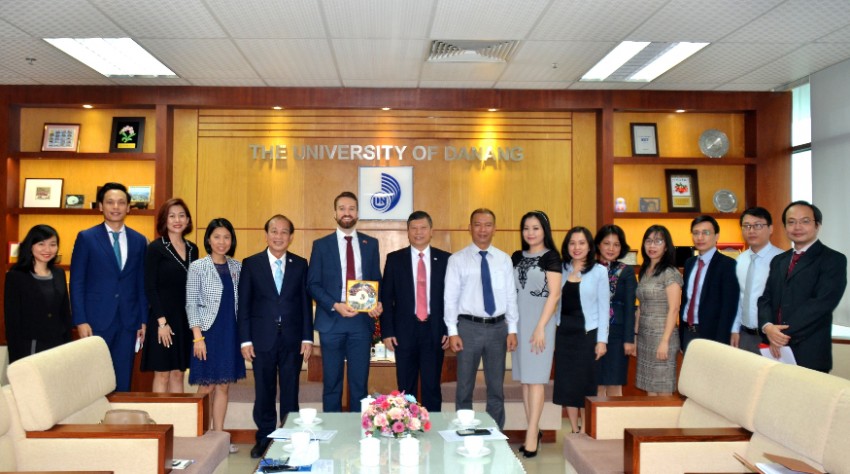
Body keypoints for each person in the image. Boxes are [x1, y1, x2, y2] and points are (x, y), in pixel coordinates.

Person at [239, 215, 313, 458]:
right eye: (274, 231)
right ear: (266, 235)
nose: (278, 236)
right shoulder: (251, 263)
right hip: (262, 339)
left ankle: (290, 437)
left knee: (291, 390)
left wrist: (307, 338)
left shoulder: (300, 264)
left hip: (293, 339)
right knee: (264, 391)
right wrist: (245, 340)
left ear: (291, 237)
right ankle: (264, 438)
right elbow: (244, 306)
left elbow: (305, 304)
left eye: (284, 232)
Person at [307, 191, 382, 412]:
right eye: (342, 209)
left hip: (361, 321)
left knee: (359, 385)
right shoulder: (321, 245)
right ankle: (333, 430)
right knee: (332, 384)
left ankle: (359, 429)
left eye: (351, 209)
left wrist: (377, 302)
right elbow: (312, 284)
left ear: (357, 213)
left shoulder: (371, 244)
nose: (346, 213)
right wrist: (335, 305)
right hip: (332, 320)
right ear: (335, 213)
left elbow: (376, 280)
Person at [444, 208, 519, 430]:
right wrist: (452, 332)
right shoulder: (457, 260)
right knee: (464, 387)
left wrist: (512, 329)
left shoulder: (504, 260)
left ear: (494, 229)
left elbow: (510, 295)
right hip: (468, 328)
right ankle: (464, 431)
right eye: (477, 224)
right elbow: (450, 298)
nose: (482, 229)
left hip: (498, 328)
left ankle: (495, 433)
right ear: (470, 228)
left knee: (496, 387)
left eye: (487, 225)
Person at [70, 182, 147, 392]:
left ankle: (119, 414)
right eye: (110, 202)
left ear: (128, 207)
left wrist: (142, 320)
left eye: (121, 202)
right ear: (101, 206)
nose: (116, 207)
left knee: (123, 378)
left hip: (128, 321)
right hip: (95, 320)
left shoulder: (139, 240)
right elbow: (77, 282)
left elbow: (141, 283)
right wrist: (80, 320)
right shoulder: (86, 238)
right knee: (94, 378)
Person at [758, 201, 847, 372]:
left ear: (817, 225)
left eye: (805, 221)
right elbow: (766, 298)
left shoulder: (833, 260)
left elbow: (821, 304)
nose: (797, 227)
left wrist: (780, 335)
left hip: (810, 351)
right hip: (774, 350)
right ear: (785, 227)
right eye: (791, 222)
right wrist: (767, 327)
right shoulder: (779, 260)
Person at [380, 210, 451, 413]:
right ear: (408, 232)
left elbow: (451, 298)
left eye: (423, 228)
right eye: (414, 228)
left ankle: (432, 427)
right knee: (405, 387)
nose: (418, 232)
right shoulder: (395, 259)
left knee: (432, 387)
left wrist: (449, 329)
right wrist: (387, 331)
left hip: (435, 331)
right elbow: (386, 298)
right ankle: (406, 426)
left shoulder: (445, 259)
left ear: (431, 231)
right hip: (404, 332)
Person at [186, 218, 245, 453]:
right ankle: (197, 435)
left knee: (223, 386)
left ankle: (220, 438)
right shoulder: (198, 266)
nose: (222, 242)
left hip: (230, 332)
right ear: (208, 239)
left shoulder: (237, 267)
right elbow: (191, 304)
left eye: (226, 237)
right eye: (217, 237)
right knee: (207, 386)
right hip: (207, 334)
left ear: (232, 240)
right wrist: (197, 337)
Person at [511, 211, 561, 457]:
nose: (530, 233)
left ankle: (531, 434)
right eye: (526, 228)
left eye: (536, 228)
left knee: (536, 379)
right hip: (519, 323)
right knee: (525, 379)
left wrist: (541, 326)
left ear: (545, 231)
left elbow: (554, 294)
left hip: (540, 325)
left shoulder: (551, 257)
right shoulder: (516, 256)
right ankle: (534, 428)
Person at [553, 226, 609, 434]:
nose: (577, 247)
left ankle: (586, 430)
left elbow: (604, 308)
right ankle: (574, 429)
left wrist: (602, 340)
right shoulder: (560, 269)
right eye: (572, 243)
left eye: (582, 243)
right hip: (564, 334)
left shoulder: (599, 271)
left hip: (587, 335)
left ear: (589, 246)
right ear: (567, 246)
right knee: (567, 384)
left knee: (585, 384)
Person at [140, 199, 198, 392]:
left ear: (188, 220)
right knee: (163, 374)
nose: (177, 220)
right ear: (164, 220)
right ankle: (161, 413)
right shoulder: (156, 247)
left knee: (179, 373)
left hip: (184, 319)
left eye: (181, 215)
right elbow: (150, 287)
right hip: (162, 319)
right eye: (172, 216)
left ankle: (177, 413)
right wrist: (162, 323)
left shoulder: (193, 249)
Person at [4, 225, 71, 362]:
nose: (47, 249)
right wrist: (16, 359)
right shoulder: (16, 276)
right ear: (30, 246)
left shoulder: (59, 273)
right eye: (41, 244)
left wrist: (68, 345)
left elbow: (64, 313)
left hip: (57, 343)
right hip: (30, 346)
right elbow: (12, 321)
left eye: (52, 244)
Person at [679, 216, 739, 352]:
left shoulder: (728, 265)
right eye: (696, 233)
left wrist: (721, 342)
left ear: (716, 236)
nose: (700, 237)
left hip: (712, 335)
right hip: (688, 331)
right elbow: (685, 301)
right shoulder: (689, 263)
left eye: (705, 233)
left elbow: (728, 308)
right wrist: (682, 336)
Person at [635, 225, 682, 396]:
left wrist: (664, 341)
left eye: (658, 241)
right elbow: (641, 306)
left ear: (666, 246)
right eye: (648, 241)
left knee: (663, 389)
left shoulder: (670, 273)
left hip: (663, 336)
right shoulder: (645, 270)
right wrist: (635, 335)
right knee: (650, 389)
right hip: (645, 337)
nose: (652, 246)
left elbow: (674, 308)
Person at [732, 207, 782, 354]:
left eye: (758, 225)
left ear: (770, 229)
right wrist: (734, 329)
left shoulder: (782, 260)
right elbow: (737, 299)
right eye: (747, 226)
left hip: (771, 337)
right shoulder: (739, 260)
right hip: (744, 335)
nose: (751, 230)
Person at [594, 224, 636, 396]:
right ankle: (593, 415)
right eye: (607, 243)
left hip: (617, 334)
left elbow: (630, 307)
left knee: (614, 382)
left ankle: (614, 415)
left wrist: (629, 339)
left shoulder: (626, 271)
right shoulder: (589, 268)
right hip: (593, 332)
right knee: (595, 383)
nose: (611, 248)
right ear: (598, 245)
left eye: (616, 244)